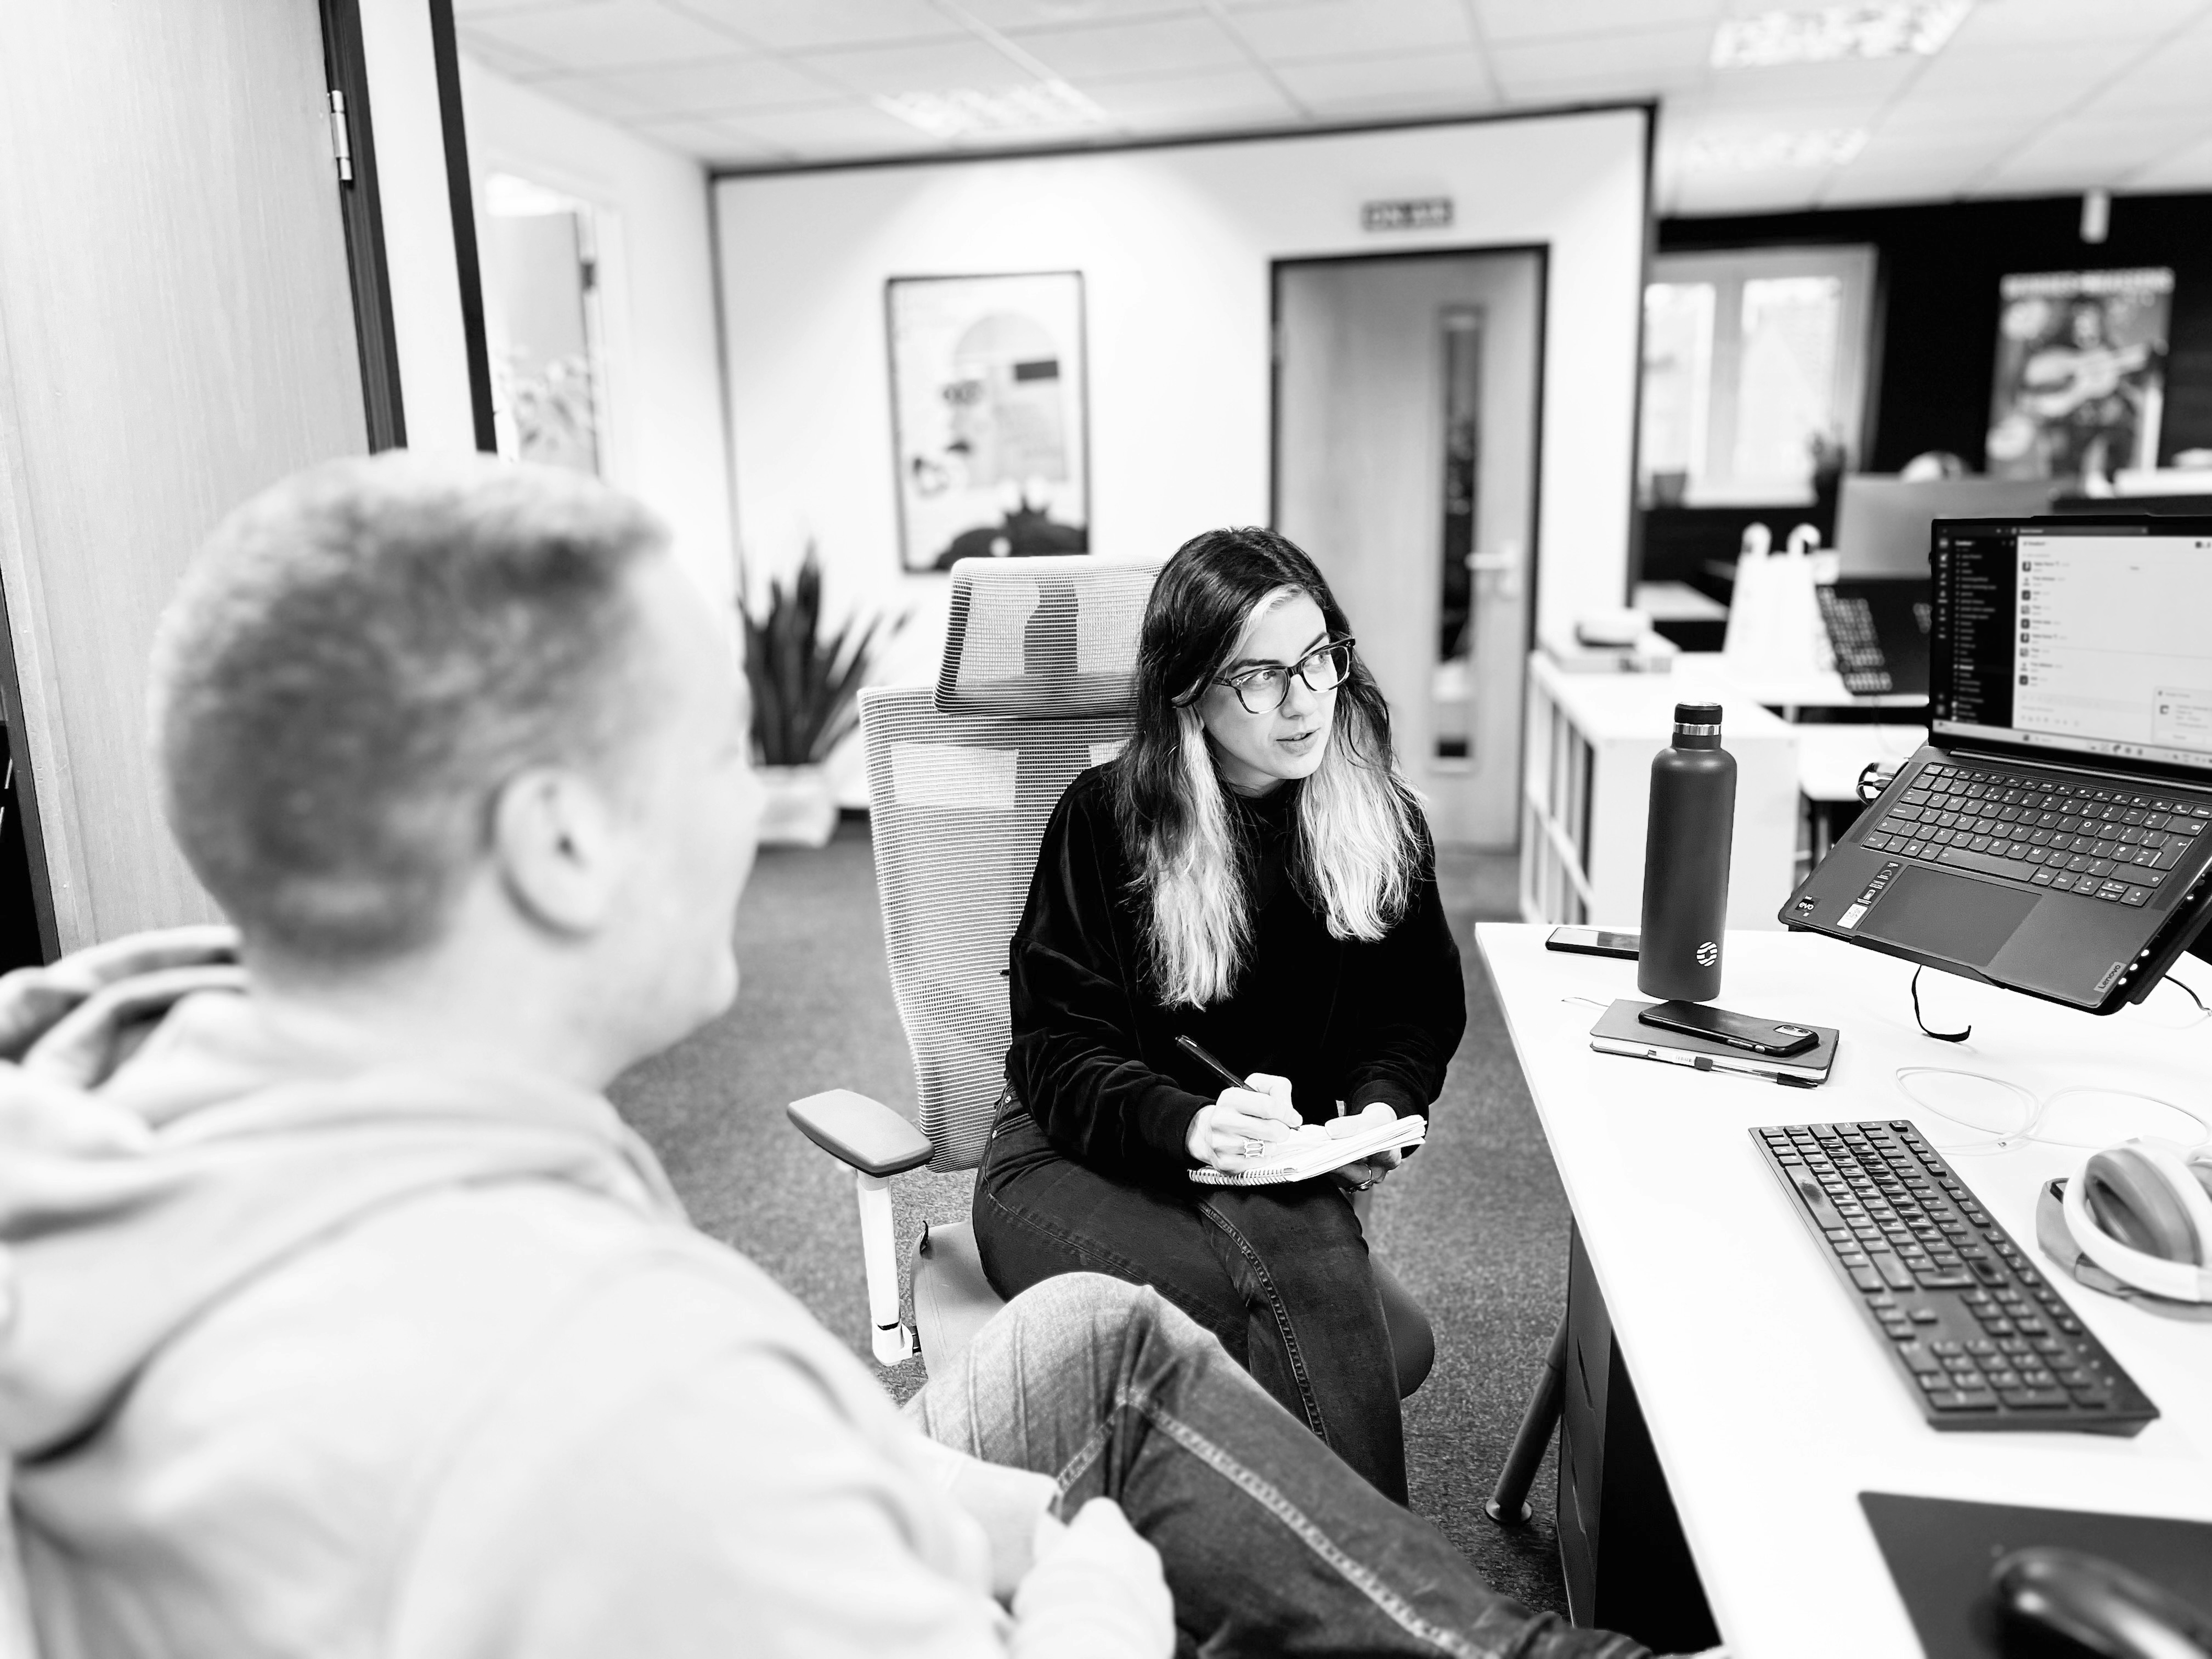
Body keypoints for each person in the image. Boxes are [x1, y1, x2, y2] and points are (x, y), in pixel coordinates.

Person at [0, 456, 1689, 1659]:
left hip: (892, 1401)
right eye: (715, 748)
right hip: (1057, 1255)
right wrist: (1095, 1566)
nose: (762, 805)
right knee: (1212, 1322)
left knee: (1112, 1341)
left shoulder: (116, 1091)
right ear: (561, 843)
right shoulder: (638, 1389)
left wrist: (986, 1509)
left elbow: (1410, 1015)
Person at [974, 527, 1465, 1503]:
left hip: (1267, 1182)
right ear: (1188, 689)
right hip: (1073, 1160)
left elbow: (1411, 1015)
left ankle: (1305, 1604)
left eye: (1320, 660)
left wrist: (1375, 1108)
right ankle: (1383, 1608)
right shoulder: (1108, 818)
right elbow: (1056, 1051)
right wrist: (1192, 1121)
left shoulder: (1378, 820)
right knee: (1300, 1297)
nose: (1303, 701)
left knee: (1305, 1259)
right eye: (1261, 676)